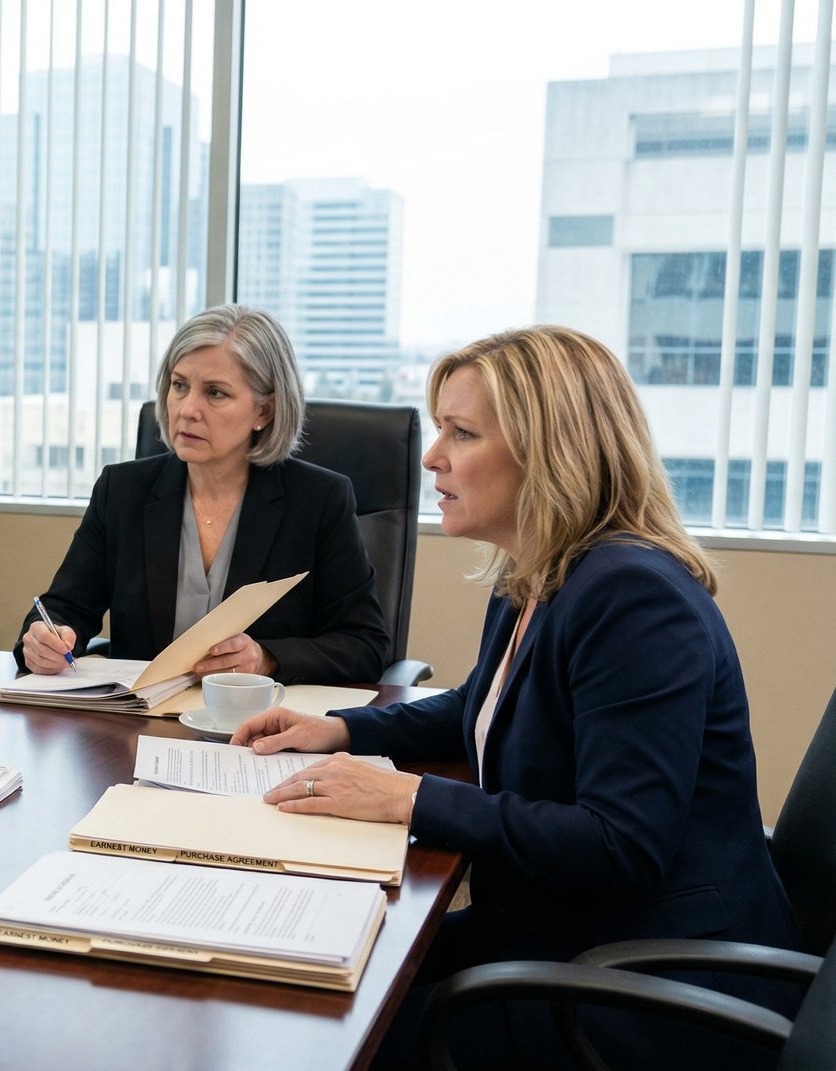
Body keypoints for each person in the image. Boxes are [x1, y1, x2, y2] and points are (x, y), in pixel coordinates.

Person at [232, 325, 802, 1067]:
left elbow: (619, 842)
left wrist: (406, 798)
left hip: (652, 979)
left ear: (551, 451)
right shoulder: (535, 573)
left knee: (337, 1035)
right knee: (310, 976)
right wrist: (342, 729)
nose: (433, 457)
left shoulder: (635, 598)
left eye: (462, 433)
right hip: (563, 934)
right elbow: (485, 704)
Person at [13, 304, 388, 684]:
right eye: (179, 386)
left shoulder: (319, 500)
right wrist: (44, 639)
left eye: (215, 393)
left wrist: (266, 659)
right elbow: (63, 607)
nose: (188, 409)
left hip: (260, 726)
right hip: (137, 725)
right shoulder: (123, 490)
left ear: (265, 411)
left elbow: (365, 645)